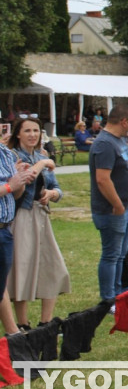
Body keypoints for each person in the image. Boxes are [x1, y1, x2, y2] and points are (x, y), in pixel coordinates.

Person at [6, 115, 71, 329]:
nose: (32, 135)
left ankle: (46, 323)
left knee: (53, 266)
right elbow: (27, 179)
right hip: (22, 216)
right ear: (18, 134)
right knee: (22, 268)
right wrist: (43, 162)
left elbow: (58, 188)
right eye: (27, 131)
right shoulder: (14, 156)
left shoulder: (40, 155)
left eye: (36, 131)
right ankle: (23, 324)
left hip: (41, 215)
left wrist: (52, 194)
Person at [89, 103, 128, 303]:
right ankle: (108, 299)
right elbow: (102, 179)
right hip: (112, 210)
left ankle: (118, 295)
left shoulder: (119, 141)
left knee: (120, 254)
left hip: (126, 208)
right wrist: (118, 204)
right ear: (124, 121)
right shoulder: (104, 144)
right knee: (111, 254)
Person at [1, 142, 34, 302]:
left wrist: (20, 179)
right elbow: (9, 187)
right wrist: (9, 186)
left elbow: (15, 194)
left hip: (5, 229)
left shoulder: (6, 153)